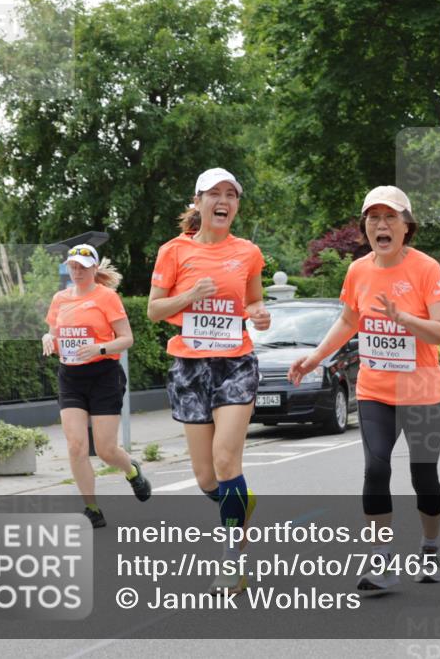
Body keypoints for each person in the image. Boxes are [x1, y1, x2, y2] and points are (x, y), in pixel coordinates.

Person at [289, 185, 440, 593]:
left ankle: (430, 545)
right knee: (376, 469)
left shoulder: (426, 268)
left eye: (390, 217)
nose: (381, 224)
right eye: (373, 217)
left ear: (406, 226)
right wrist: (314, 357)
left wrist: (406, 320)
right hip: (376, 390)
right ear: (366, 227)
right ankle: (381, 561)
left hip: (423, 393)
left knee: (424, 478)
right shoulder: (358, 270)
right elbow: (348, 321)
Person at [147, 168, 270, 594]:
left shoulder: (249, 252)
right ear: (197, 202)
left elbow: (254, 300)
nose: (224, 200)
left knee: (224, 461)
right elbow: (154, 310)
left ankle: (232, 561)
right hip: (190, 366)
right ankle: (240, 503)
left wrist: (258, 312)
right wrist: (189, 297)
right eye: (214, 194)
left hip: (235, 363)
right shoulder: (173, 251)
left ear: (236, 205)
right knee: (205, 478)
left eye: (231, 194)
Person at [43, 244, 151, 528]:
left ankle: (131, 470)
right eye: (72, 266)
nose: (76, 272)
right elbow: (55, 336)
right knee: (76, 446)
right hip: (70, 377)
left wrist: (100, 349)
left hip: (104, 375)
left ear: (93, 268)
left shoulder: (107, 297)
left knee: (105, 450)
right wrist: (48, 339)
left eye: (82, 267)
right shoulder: (60, 299)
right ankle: (92, 508)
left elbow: (126, 338)